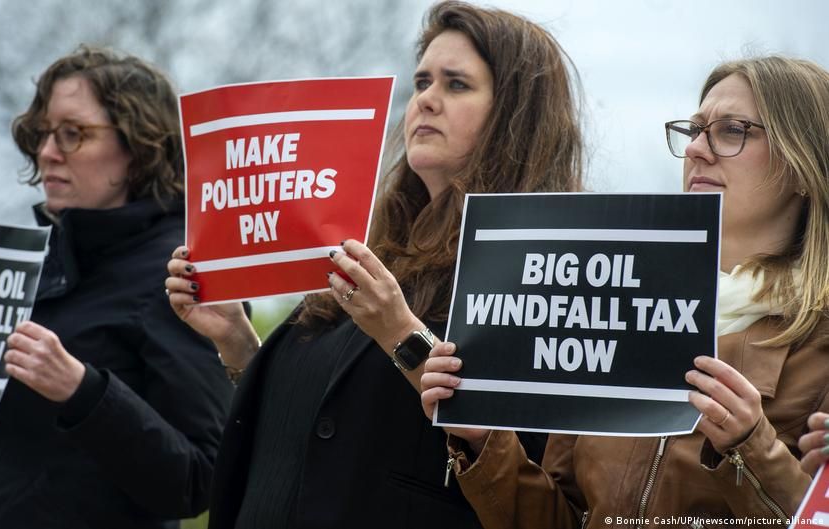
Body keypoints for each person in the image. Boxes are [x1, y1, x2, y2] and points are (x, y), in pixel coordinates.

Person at [165, 2, 583, 528]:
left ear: (517, 115)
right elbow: (320, 416)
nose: (426, 100)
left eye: (456, 85)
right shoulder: (364, 243)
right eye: (422, 81)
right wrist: (236, 341)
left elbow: (514, 451)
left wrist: (401, 334)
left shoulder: (542, 268)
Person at [421, 55, 829, 528]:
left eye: (733, 130)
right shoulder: (617, 306)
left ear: (804, 164)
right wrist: (484, 440)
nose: (697, 149)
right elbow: (564, 518)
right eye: (694, 130)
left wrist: (751, 445)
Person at [0, 46, 233, 528]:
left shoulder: (179, 272)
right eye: (43, 133)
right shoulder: (29, 267)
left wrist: (84, 391)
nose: (47, 152)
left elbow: (198, 479)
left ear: (139, 148)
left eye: (73, 134)